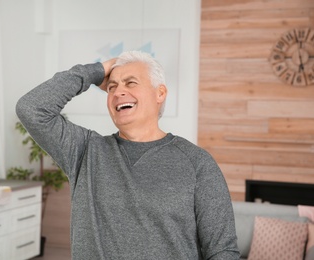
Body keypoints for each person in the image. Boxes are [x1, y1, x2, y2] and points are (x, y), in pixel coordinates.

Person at [16, 51, 240, 259]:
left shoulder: (197, 163)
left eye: (131, 83)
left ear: (160, 93)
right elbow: (32, 109)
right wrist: (97, 71)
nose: (118, 92)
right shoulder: (85, 151)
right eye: (111, 87)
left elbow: (222, 251)